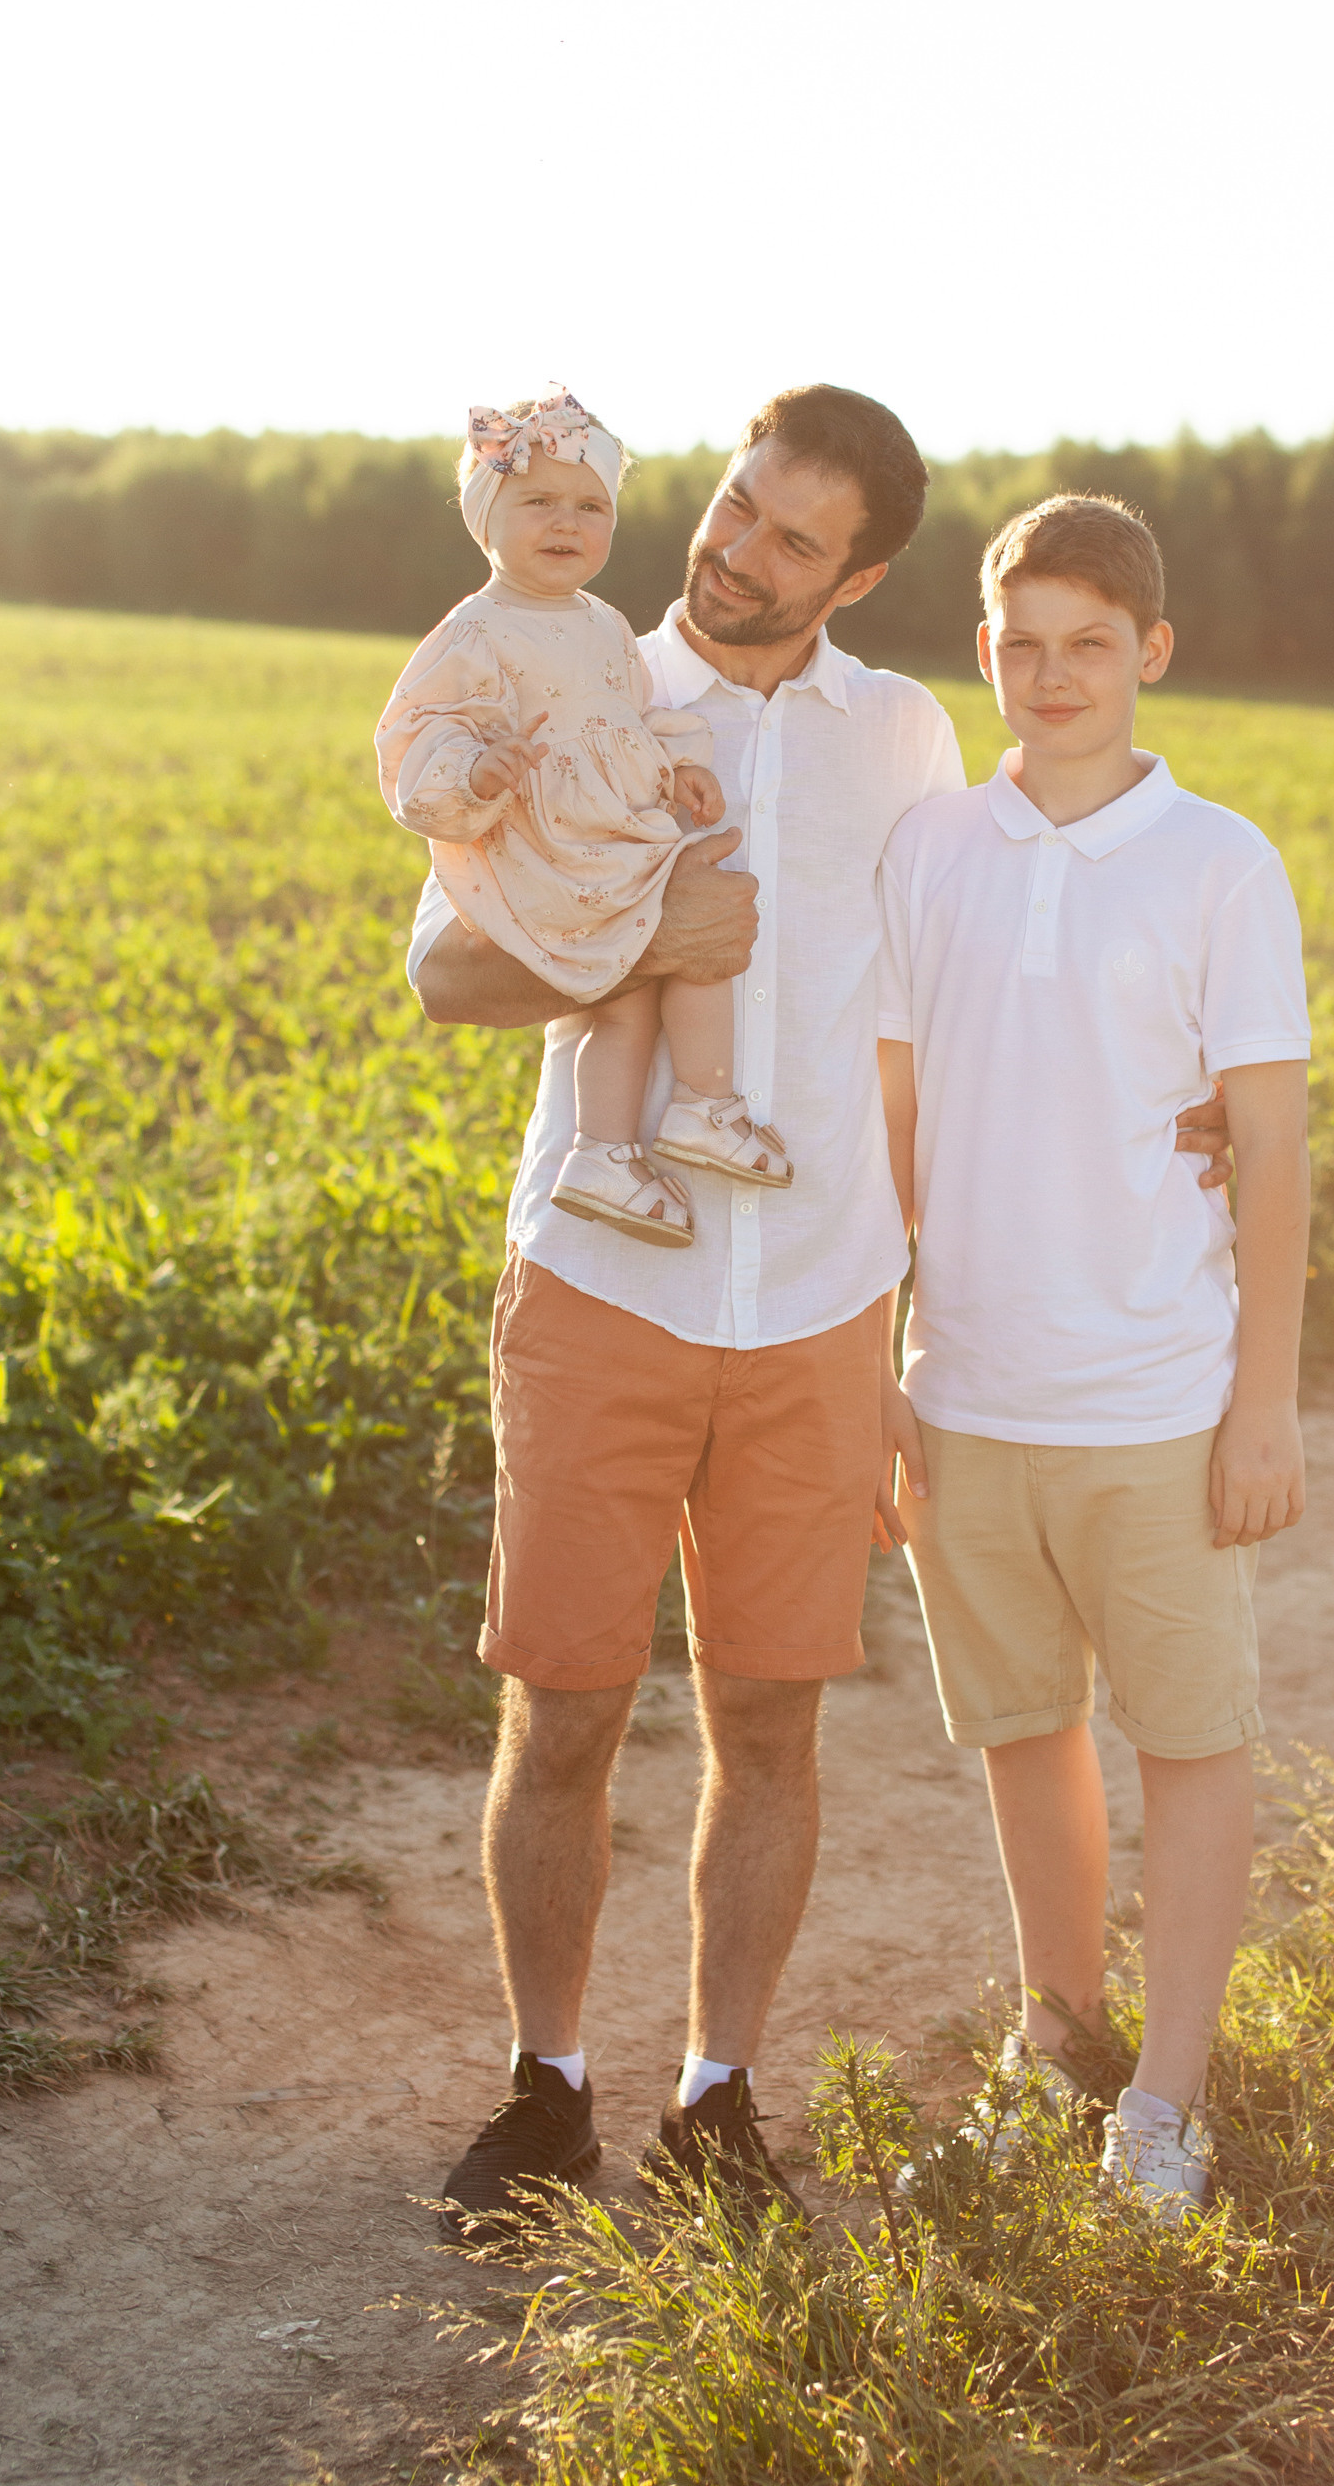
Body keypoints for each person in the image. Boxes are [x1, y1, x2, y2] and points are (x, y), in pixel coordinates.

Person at [403, 392, 1232, 2243]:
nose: (737, 552)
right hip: (603, 1283)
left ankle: (719, 2098)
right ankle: (546, 2090)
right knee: (564, 1715)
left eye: (792, 540)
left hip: (821, 1312)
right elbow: (445, 965)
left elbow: (1013, 952)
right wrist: (634, 942)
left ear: (856, 576)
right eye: (732, 508)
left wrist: (1194, 1097)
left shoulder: (907, 741)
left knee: (773, 1722)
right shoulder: (577, 684)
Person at [877, 491, 1311, 2223]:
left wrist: (1262, 1402)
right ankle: (1057, 2045)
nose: (1053, 678)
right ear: (984, 653)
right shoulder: (931, 850)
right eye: (1022, 646)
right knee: (1023, 1733)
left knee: (1189, 1739)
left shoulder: (1222, 864)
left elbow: (1268, 1148)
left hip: (1159, 1393)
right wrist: (877, 1367)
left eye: (1089, 646)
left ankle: (1164, 2100)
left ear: (1150, 654)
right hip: (965, 1388)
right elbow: (891, 1120)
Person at [374, 386, 790, 1249]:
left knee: (666, 957)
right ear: (487, 516)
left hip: (617, 829)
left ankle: (648, 1132)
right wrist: (478, 772)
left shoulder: (604, 624)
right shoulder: (475, 632)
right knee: (661, 951)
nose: (567, 522)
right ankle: (662, 1126)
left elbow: (630, 716)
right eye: (537, 502)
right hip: (549, 843)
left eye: (591, 506)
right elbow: (417, 736)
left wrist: (682, 765)